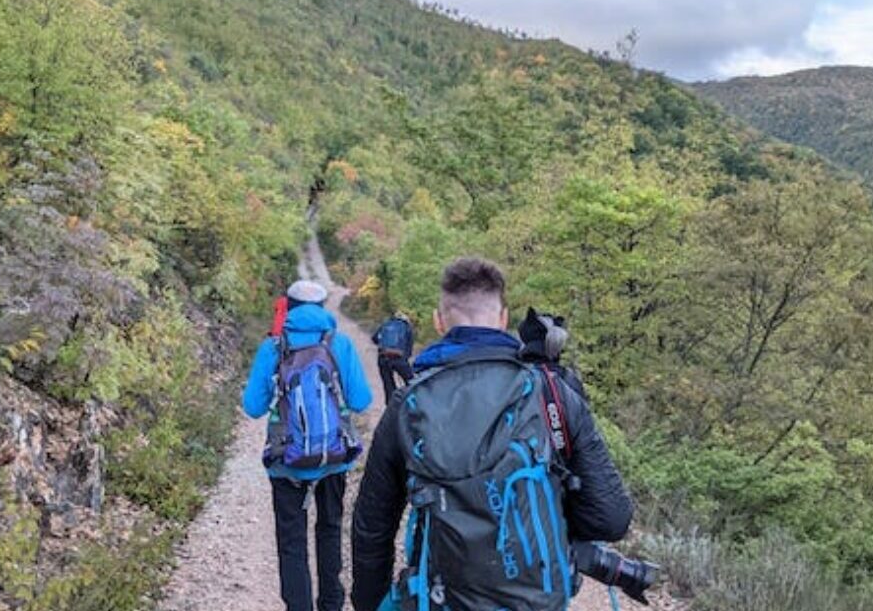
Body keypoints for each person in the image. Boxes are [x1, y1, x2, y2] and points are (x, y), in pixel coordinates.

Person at [351, 258, 633, 611]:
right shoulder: (552, 393)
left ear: (440, 321)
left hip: (443, 600)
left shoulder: (408, 404)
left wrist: (367, 602)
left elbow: (372, 529)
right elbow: (612, 518)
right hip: (537, 600)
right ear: (503, 318)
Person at [242, 280, 373, 611]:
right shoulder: (339, 344)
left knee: (291, 540)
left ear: (289, 305)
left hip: (287, 458)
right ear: (324, 306)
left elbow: (253, 407)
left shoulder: (273, 347)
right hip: (334, 457)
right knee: (329, 530)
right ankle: (331, 603)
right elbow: (361, 401)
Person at [371, 312, 414, 399]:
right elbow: (409, 347)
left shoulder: (386, 323)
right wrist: (405, 359)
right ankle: (415, 403)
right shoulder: (407, 326)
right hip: (399, 359)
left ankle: (391, 406)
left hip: (383, 358)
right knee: (412, 382)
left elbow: (374, 338)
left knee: (388, 385)